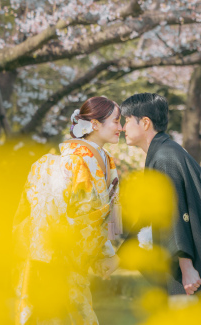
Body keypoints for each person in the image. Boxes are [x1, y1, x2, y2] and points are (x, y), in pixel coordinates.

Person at [14, 96, 123, 325]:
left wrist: (107, 251)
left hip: (72, 260)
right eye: (116, 121)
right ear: (95, 125)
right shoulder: (71, 162)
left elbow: (105, 211)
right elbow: (65, 217)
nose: (121, 128)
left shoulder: (105, 160)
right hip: (55, 259)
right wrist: (104, 252)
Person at [121, 92, 201, 296]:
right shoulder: (165, 151)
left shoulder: (165, 157)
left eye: (127, 121)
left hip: (198, 262)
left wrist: (187, 268)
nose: (123, 127)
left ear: (145, 123)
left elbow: (176, 212)